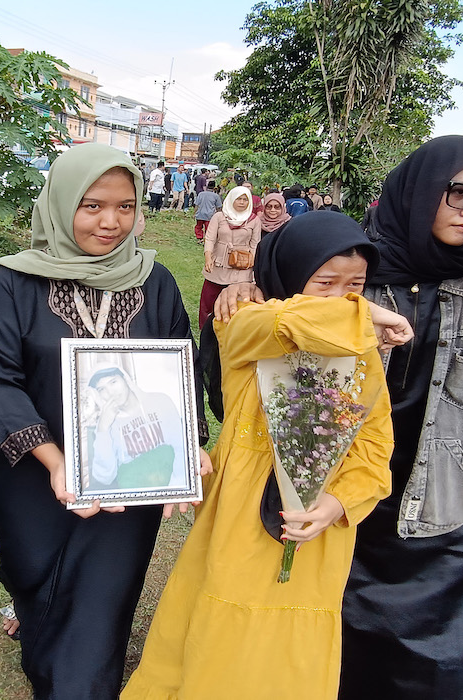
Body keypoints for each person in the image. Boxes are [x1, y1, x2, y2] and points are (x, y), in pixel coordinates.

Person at [214, 137, 463, 699]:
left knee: (443, 675)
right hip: (338, 500)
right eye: (460, 193)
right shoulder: (360, 270)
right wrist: (251, 284)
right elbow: (275, 333)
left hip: (438, 506)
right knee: (322, 663)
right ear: (420, 191)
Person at [122, 212, 397, 699]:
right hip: (239, 514)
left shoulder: (360, 350)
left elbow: (375, 448)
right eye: (325, 283)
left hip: (315, 528)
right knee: (222, 623)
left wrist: (335, 503)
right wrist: (368, 313)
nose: (344, 298)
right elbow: (289, 323)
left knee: (292, 647)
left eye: (357, 285)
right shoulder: (243, 320)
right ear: (287, 274)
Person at [0, 143, 210, 700]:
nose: (111, 222)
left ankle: (79, 684)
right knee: (32, 571)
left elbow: (181, 366)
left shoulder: (154, 281)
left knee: (104, 594)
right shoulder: (12, 283)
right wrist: (55, 462)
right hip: (33, 472)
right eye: (92, 205)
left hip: (126, 475)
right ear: (60, 204)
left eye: (125, 206)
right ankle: (35, 625)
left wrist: (186, 445)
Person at [201, 186, 261, 329]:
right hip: (219, 264)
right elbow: (209, 238)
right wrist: (208, 257)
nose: (241, 202)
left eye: (245, 199)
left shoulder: (254, 220)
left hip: (241, 266)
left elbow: (255, 244)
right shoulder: (219, 217)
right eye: (238, 199)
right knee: (209, 299)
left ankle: (232, 329)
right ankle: (206, 328)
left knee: (237, 299)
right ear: (231, 199)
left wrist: (252, 263)